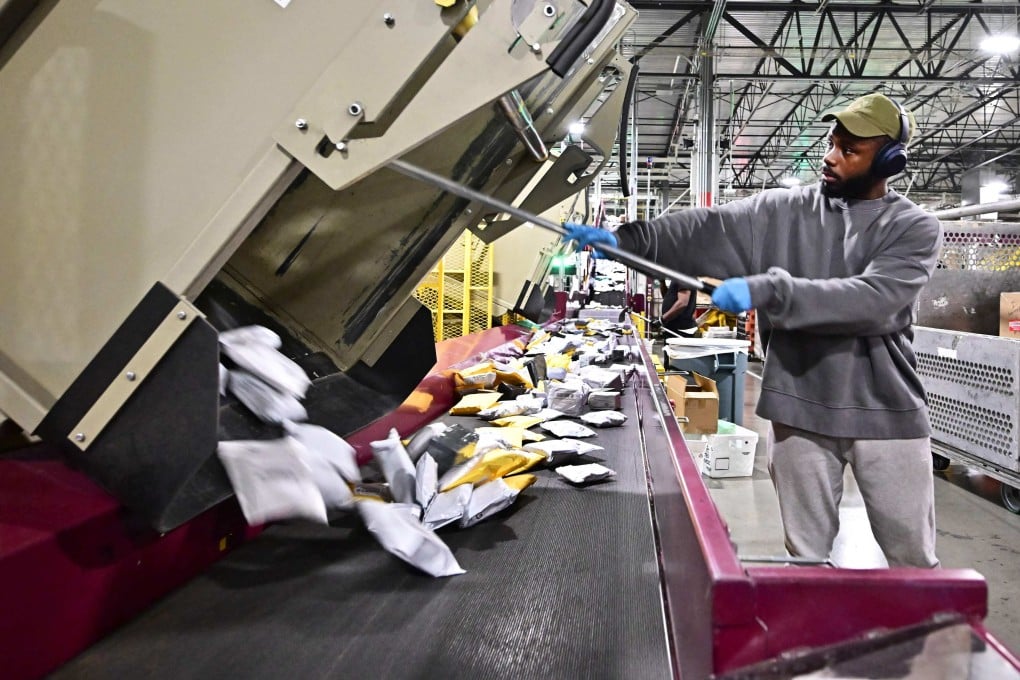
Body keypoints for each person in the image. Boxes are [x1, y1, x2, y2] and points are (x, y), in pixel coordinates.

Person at [564, 93, 942, 568]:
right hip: (799, 410)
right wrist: (625, 240)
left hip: (887, 413)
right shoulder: (782, 211)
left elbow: (872, 302)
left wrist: (770, 290)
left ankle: (924, 640)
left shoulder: (913, 228)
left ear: (888, 160)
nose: (829, 156)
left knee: (913, 560)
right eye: (831, 142)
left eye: (849, 150)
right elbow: (705, 229)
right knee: (806, 558)